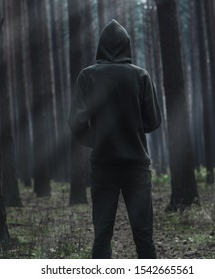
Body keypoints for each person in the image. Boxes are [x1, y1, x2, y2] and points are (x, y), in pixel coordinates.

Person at [69, 19, 161, 259]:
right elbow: (153, 121)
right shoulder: (140, 76)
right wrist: (133, 131)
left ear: (101, 46)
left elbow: (76, 123)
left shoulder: (87, 76)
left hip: (103, 166)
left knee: (102, 236)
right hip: (136, 167)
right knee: (144, 236)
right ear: (127, 45)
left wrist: (98, 139)